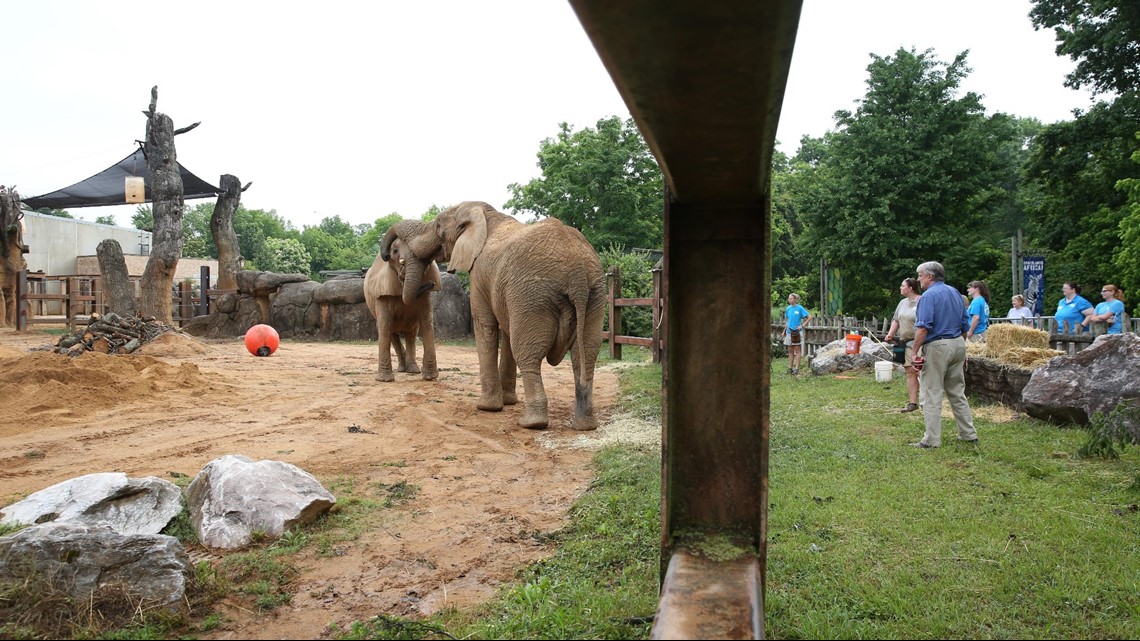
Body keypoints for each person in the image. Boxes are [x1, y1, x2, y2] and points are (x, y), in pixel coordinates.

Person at [910, 261, 978, 449]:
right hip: (958, 342)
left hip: (937, 345)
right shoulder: (955, 292)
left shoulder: (928, 296)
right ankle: (968, 434)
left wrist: (914, 351)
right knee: (957, 392)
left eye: (920, 275)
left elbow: (923, 327)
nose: (918, 279)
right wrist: (961, 346)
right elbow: (965, 323)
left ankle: (931, 440)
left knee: (932, 392)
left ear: (930, 277)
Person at [884, 277, 922, 413]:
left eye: (902, 286)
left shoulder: (922, 301)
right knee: (909, 371)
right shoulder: (902, 303)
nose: (900, 288)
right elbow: (896, 320)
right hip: (904, 342)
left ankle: (926, 402)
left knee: (919, 370)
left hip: (919, 342)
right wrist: (890, 334)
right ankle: (913, 403)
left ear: (910, 288)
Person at [783, 293, 812, 375]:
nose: (790, 300)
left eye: (791, 298)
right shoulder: (788, 308)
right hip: (789, 332)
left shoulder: (799, 308)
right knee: (790, 351)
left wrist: (802, 325)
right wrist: (784, 330)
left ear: (795, 299)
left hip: (797, 332)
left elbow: (810, 317)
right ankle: (790, 368)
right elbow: (787, 320)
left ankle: (797, 369)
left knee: (797, 350)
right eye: (789, 298)